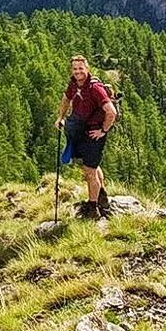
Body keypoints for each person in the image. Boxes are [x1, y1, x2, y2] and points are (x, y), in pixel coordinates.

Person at [54, 54, 117, 218]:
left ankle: (92, 207)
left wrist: (103, 131)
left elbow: (111, 112)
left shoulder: (95, 88)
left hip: (93, 133)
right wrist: (60, 117)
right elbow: (66, 98)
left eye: (80, 68)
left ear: (87, 69)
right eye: (75, 69)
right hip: (81, 130)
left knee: (89, 171)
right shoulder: (73, 84)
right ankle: (100, 193)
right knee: (91, 167)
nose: (77, 72)